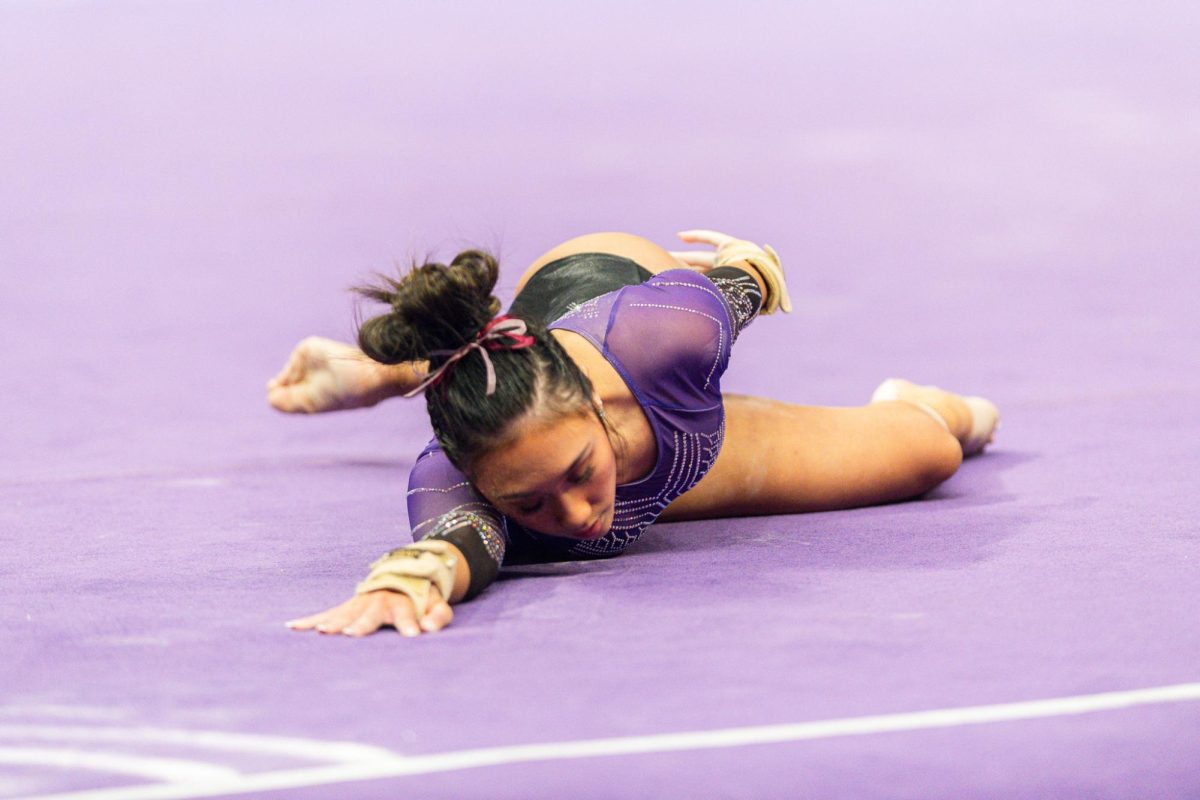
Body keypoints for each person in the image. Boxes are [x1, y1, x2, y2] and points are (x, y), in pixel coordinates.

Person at [271, 231, 998, 638]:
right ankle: (401, 371)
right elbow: (456, 544)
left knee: (941, 445)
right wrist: (412, 578)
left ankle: (392, 369)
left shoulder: (667, 338)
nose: (579, 516)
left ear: (595, 408)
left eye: (581, 471)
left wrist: (751, 267)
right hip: (621, 438)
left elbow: (742, 284)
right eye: (530, 505)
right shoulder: (450, 477)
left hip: (610, 298)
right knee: (489, 410)